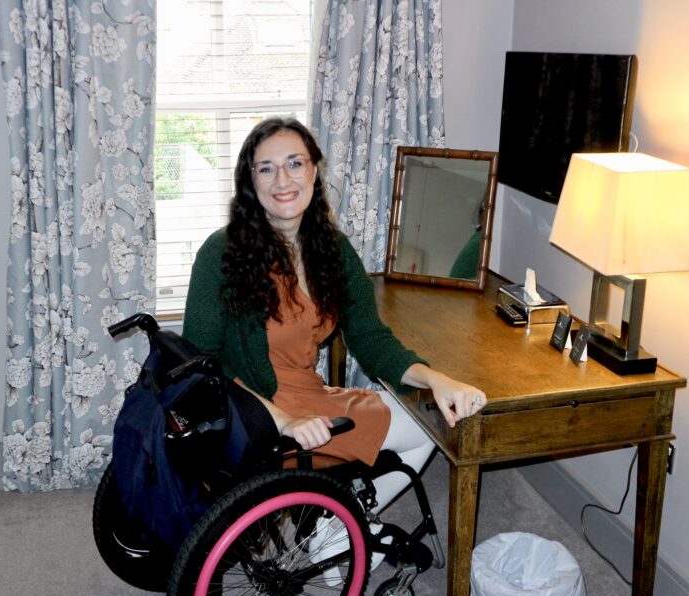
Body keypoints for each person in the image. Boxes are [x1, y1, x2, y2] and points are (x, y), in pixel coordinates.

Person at [182, 117, 486, 522]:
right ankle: (343, 528)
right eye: (266, 168)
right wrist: (283, 420)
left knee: (429, 412)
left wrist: (435, 378)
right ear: (250, 181)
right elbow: (202, 366)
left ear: (313, 170)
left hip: (311, 396)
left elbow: (371, 340)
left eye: (294, 163)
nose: (282, 179)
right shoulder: (222, 254)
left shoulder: (331, 248)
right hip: (259, 413)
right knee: (433, 429)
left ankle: (338, 525)